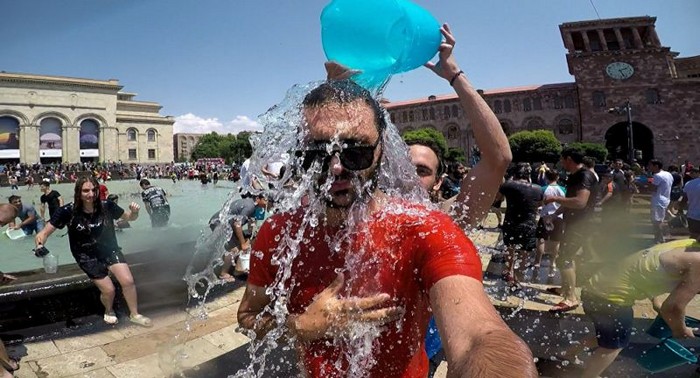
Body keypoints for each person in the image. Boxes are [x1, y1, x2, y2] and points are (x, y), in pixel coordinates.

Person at [238, 51, 535, 378]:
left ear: (382, 150)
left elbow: (480, 336)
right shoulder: (279, 231)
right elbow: (250, 316)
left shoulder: (426, 227)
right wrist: (304, 325)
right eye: (317, 154)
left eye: (357, 151)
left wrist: (455, 76)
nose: (336, 167)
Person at [565, 238, 700, 378]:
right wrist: (680, 330)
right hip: (611, 299)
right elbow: (673, 307)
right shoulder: (698, 261)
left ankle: (569, 353)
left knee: (609, 335)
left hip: (594, 288)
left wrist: (655, 300)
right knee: (614, 346)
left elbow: (646, 266)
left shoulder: (687, 244)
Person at [34, 176, 152, 327]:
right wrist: (39, 246)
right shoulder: (67, 211)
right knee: (109, 290)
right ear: (78, 192)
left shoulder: (107, 205)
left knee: (128, 281)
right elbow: (43, 234)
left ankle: (135, 314)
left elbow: (129, 218)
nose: (91, 194)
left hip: (110, 249)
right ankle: (108, 310)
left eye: (94, 190)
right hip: (86, 255)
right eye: (86, 191)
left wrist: (134, 212)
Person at [543, 147, 598, 313]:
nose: (561, 162)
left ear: (568, 159)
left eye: (562, 159)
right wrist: (555, 214)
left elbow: (580, 202)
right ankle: (565, 288)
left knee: (565, 257)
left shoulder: (584, 175)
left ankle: (571, 298)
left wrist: (554, 198)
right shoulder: (575, 176)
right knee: (566, 256)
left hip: (581, 224)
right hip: (573, 221)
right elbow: (570, 201)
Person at [494, 163, 544, 290]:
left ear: (515, 173)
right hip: (529, 224)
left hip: (511, 222)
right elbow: (539, 204)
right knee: (524, 253)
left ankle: (509, 273)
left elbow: (497, 199)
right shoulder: (538, 189)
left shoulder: (508, 186)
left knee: (510, 248)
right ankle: (518, 277)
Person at [209, 193, 268, 282]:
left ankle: (236, 268)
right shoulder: (250, 206)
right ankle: (223, 274)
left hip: (226, 223)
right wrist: (243, 243)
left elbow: (250, 223)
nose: (267, 203)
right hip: (219, 223)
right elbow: (237, 224)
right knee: (233, 249)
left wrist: (250, 236)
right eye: (265, 200)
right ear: (258, 199)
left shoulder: (253, 206)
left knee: (237, 244)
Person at [535, 170, 565, 271]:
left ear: (546, 178)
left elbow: (538, 203)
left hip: (545, 216)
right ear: (557, 178)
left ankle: (537, 262)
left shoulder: (543, 189)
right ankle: (553, 263)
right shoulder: (563, 189)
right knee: (556, 241)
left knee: (541, 239)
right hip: (558, 216)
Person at [648, 159, 674, 244]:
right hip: (666, 199)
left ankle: (659, 239)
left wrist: (647, 183)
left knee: (656, 221)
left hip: (658, 200)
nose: (649, 167)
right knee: (660, 220)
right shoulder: (668, 174)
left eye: (650, 165)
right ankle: (660, 238)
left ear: (656, 166)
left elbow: (653, 188)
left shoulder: (657, 176)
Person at [680, 167, 700, 238]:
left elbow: (684, 199)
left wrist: (680, 209)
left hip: (692, 215)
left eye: (692, 173)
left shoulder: (688, 184)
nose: (690, 175)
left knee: (694, 236)